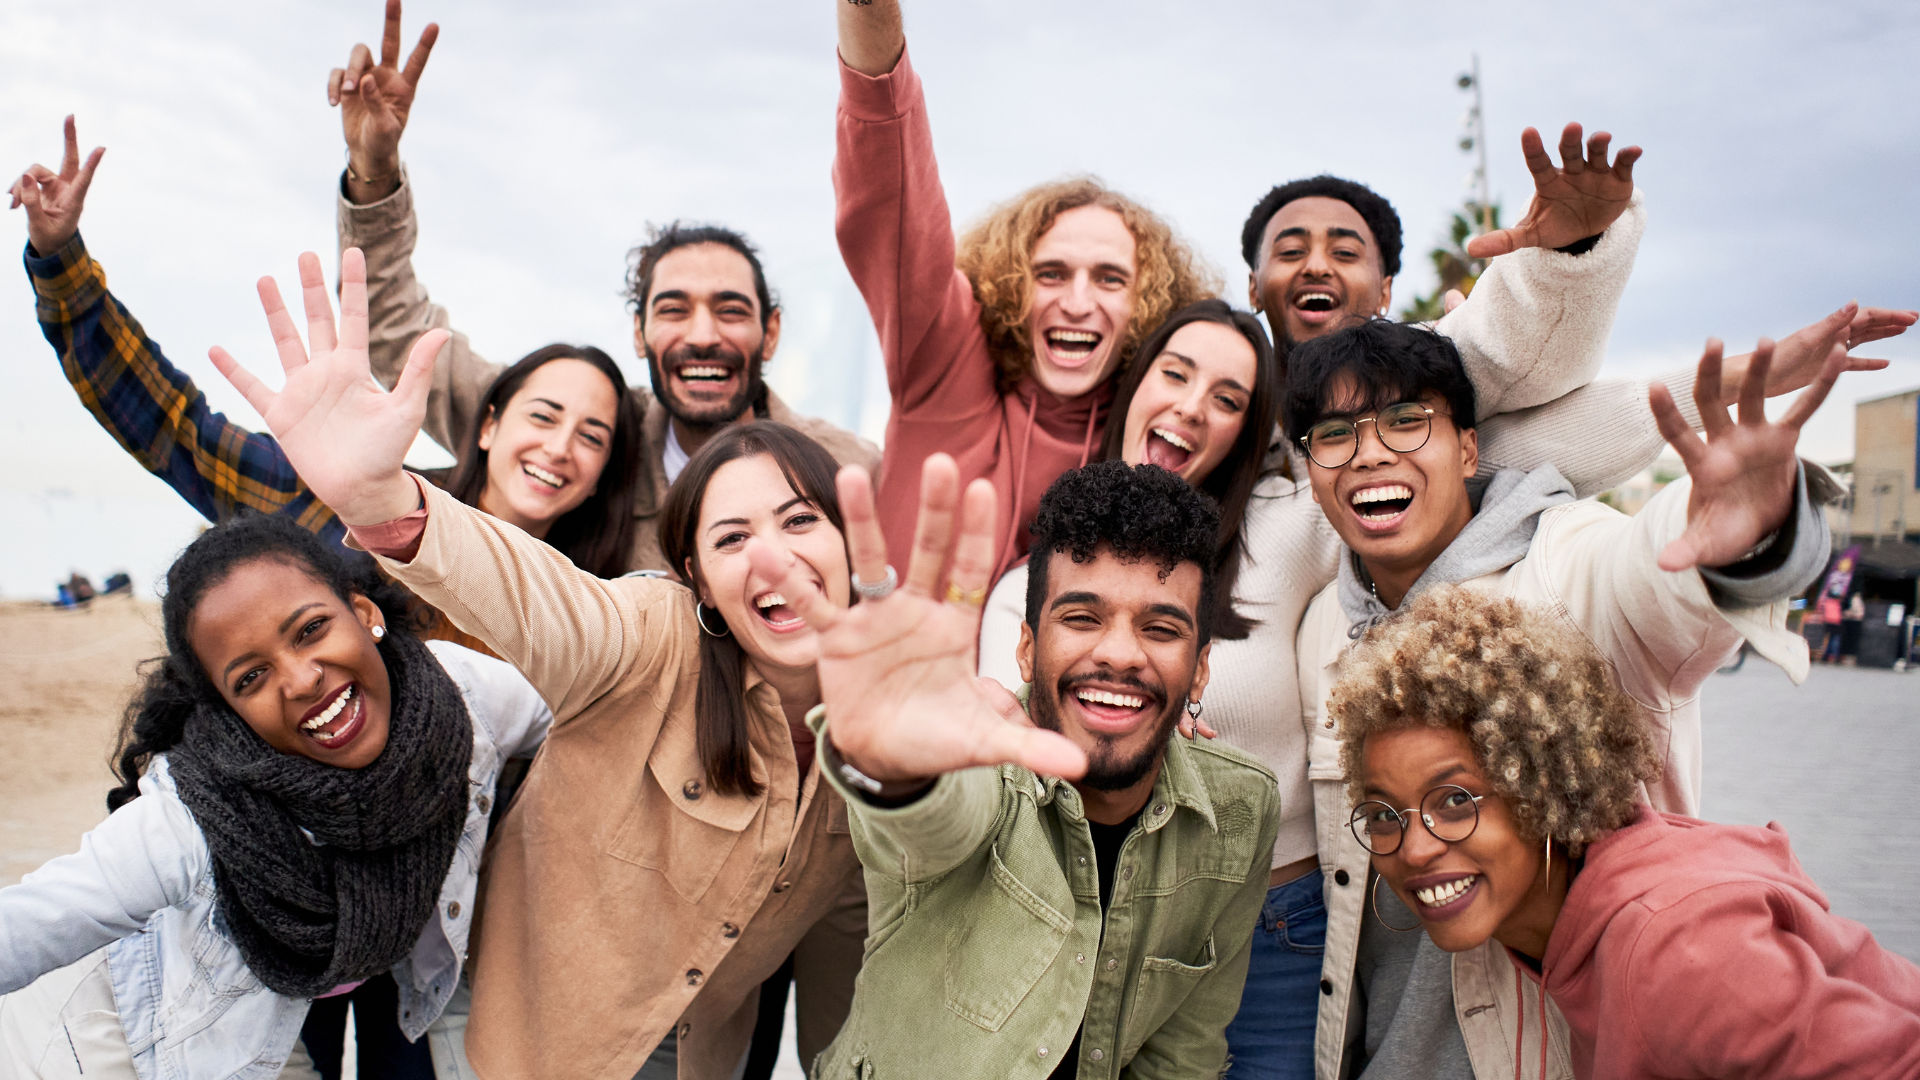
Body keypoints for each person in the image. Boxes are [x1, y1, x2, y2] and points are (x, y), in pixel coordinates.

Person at [210, 247, 874, 1078]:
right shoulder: (646, 634)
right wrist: (385, 502)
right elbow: (534, 592)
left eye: (800, 522)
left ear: (855, 544)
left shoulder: (884, 732)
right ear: (694, 576)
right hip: (516, 1032)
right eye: (732, 537)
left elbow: (862, 933)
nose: (771, 559)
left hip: (700, 1050)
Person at [1288, 319, 1840, 1077]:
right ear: (1311, 468)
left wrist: (1742, 531)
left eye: (1407, 420)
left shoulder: (1567, 560)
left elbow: (1655, 574)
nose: (1371, 451)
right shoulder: (1322, 624)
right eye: (1335, 434)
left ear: (1470, 449)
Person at [755, 458, 1280, 1078]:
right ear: (1027, 649)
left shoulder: (1242, 811)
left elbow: (1181, 1056)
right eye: (1082, 619)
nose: (1118, 653)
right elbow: (937, 818)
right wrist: (894, 767)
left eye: (1161, 628)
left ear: (1199, 668)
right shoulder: (979, 764)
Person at [327, 0, 879, 575]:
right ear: (639, 335)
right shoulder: (593, 434)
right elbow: (400, 334)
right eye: (673, 309)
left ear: (771, 333)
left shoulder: (848, 473)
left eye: (731, 309)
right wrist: (374, 170)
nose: (703, 335)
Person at [0, 513, 552, 1079]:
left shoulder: (462, 699)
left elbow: (588, 707)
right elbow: (39, 919)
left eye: (311, 629)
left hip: (366, 965)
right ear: (226, 709)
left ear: (364, 613)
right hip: (123, 1034)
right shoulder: (196, 817)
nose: (302, 679)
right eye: (250, 678)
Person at [12, 117, 643, 579]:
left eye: (593, 436)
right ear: (488, 427)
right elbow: (176, 431)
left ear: (603, 478)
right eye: (543, 415)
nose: (560, 448)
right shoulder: (350, 494)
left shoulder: (599, 600)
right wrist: (61, 262)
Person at [1331, 586, 1920, 1079]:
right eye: (1384, 815)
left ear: (1542, 784)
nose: (1414, 847)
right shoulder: (1580, 920)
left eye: (1455, 801)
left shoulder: (1670, 944)